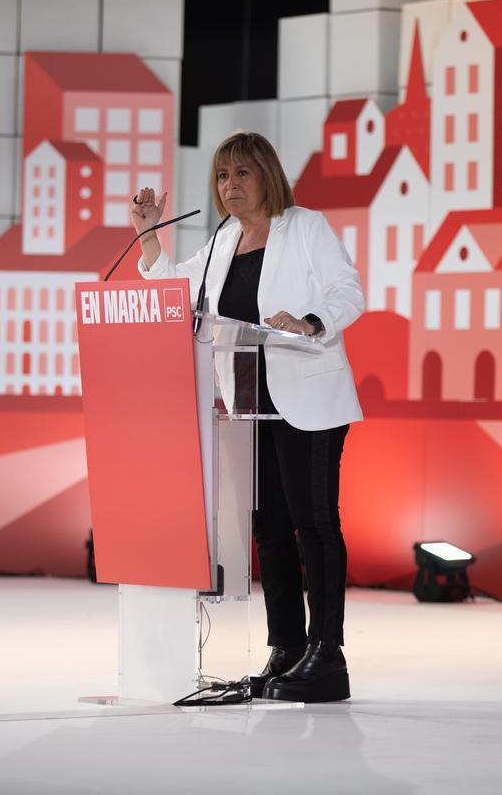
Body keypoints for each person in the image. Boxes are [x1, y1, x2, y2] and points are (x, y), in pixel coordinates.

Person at [131, 131, 364, 703]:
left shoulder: (303, 227)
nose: (229, 186)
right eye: (220, 177)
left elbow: (349, 292)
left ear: (266, 174)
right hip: (247, 408)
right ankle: (286, 648)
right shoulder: (222, 241)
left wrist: (310, 321)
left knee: (314, 527)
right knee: (269, 531)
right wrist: (147, 236)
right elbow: (172, 290)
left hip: (307, 402)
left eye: (241, 174)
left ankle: (326, 655)